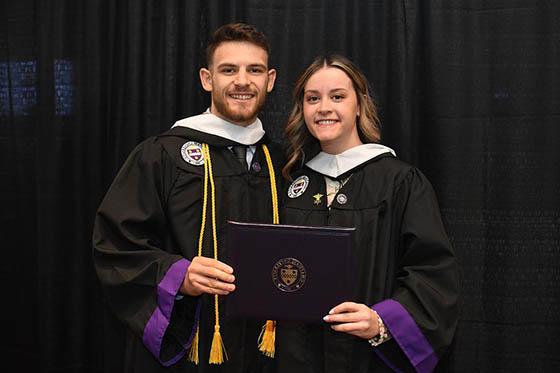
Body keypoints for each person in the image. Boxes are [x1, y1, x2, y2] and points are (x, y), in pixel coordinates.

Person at [93, 23, 282, 372]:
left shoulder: (282, 163)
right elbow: (114, 245)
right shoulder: (163, 155)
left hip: (266, 351)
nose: (242, 81)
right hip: (190, 346)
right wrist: (178, 275)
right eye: (228, 70)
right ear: (207, 79)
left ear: (269, 79)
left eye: (254, 70)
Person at [276, 55, 459, 372]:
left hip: (368, 359)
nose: (324, 108)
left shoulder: (399, 182)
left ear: (359, 105)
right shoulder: (291, 183)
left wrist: (381, 320)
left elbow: (432, 273)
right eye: (312, 98)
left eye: (337, 97)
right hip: (297, 356)